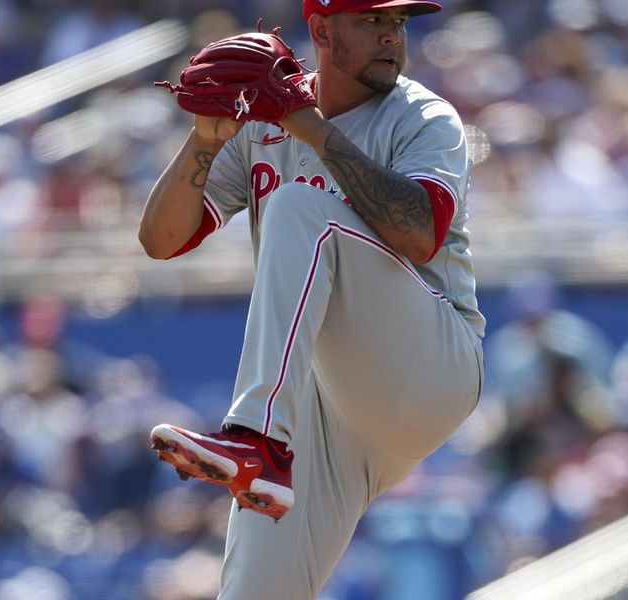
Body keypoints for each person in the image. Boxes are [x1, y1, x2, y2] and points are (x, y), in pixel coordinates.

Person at [138, 0, 485, 597]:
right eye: (373, 21)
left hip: (431, 364)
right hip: (328, 410)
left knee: (302, 206)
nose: (390, 36)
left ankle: (254, 438)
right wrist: (203, 139)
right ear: (322, 29)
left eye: (397, 23)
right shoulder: (264, 127)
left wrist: (308, 126)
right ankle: (262, 443)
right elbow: (160, 240)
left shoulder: (425, 116)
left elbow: (421, 233)